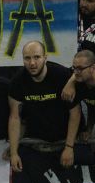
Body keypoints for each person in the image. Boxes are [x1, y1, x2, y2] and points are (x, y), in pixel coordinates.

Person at [9, 40, 78, 171]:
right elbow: (14, 118)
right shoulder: (17, 81)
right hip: (36, 143)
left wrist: (69, 147)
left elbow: (75, 113)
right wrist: (13, 153)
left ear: (45, 58)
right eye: (27, 58)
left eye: (37, 57)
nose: (32, 63)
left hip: (66, 141)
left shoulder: (62, 76)